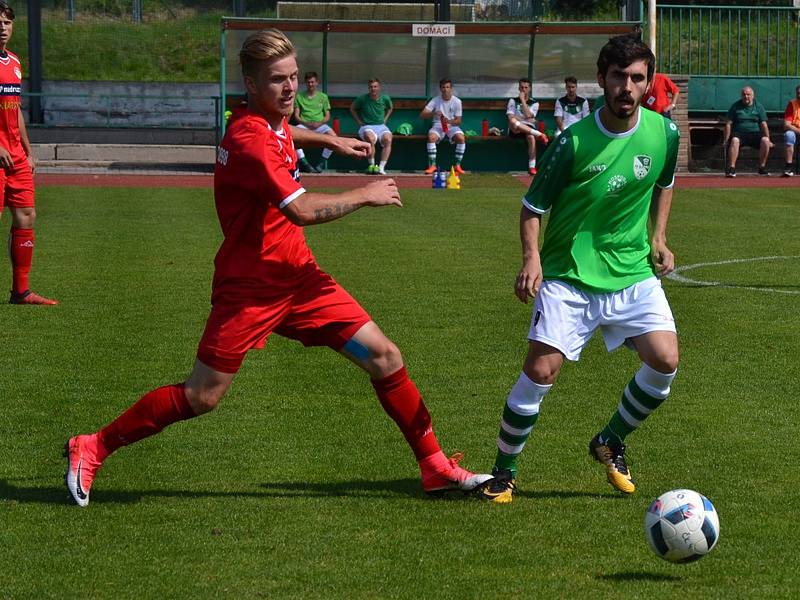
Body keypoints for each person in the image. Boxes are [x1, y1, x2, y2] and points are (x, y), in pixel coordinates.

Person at [65, 29, 490, 508]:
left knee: (385, 357)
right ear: (250, 83)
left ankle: (434, 467)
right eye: (276, 81)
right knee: (202, 396)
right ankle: (93, 446)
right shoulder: (250, 142)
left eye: (292, 77)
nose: (289, 88)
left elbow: (284, 132)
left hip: (302, 280)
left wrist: (330, 139)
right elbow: (303, 210)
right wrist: (365, 193)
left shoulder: (267, 123)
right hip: (250, 289)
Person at [478, 33, 681, 504]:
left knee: (665, 360)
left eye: (636, 79)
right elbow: (532, 208)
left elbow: (665, 182)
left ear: (648, 83)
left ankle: (611, 439)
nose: (627, 88)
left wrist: (658, 237)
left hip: (630, 272)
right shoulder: (572, 142)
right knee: (541, 371)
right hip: (569, 274)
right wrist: (532, 258)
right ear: (601, 80)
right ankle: (503, 473)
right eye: (618, 78)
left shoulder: (664, 134)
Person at [0, 2, 57, 305]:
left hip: (16, 156)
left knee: (26, 215)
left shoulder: (14, 62)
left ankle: (20, 291)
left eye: (7, 22)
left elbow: (16, 110)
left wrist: (28, 150)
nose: (3, 27)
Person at [724, 86, 773, 177]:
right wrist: (726, 140)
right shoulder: (735, 106)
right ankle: (732, 169)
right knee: (734, 140)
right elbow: (728, 124)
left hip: (755, 133)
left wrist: (769, 139)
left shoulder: (758, 106)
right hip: (739, 133)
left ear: (753, 96)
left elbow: (764, 124)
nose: (746, 97)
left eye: (748, 94)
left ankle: (762, 168)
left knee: (765, 141)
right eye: (744, 94)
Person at [293, 71, 336, 173]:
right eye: (308, 82)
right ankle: (304, 163)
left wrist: (319, 123)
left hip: (320, 125)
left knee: (334, 137)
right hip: (304, 126)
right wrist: (306, 123)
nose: (310, 84)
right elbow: (296, 116)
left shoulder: (323, 97)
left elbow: (327, 116)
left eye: (312, 82)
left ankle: (321, 163)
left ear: (317, 83)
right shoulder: (299, 96)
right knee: (291, 138)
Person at [421, 78, 466, 175]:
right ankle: (432, 165)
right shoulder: (435, 100)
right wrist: (433, 113)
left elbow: (458, 121)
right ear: (440, 89)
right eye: (443, 87)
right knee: (431, 137)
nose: (445, 90)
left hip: (452, 126)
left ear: (451, 88)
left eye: (447, 87)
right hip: (437, 125)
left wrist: (449, 121)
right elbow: (423, 115)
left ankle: (457, 165)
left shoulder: (457, 101)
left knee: (461, 138)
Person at [349, 79, 393, 174]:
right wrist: (359, 121)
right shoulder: (362, 98)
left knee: (388, 139)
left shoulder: (385, 98)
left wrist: (385, 119)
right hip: (367, 126)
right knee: (370, 138)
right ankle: (371, 166)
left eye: (375, 86)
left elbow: (390, 108)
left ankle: (381, 168)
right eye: (371, 87)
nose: (373, 89)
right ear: (368, 88)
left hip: (381, 126)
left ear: (379, 87)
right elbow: (352, 109)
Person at [506, 77, 548, 176]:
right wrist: (525, 119)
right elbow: (510, 116)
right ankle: (540, 134)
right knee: (512, 121)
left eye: (525, 87)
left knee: (531, 137)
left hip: (528, 128)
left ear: (529, 89)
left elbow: (529, 115)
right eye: (521, 87)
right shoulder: (512, 101)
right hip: (515, 129)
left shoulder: (534, 103)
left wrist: (523, 101)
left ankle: (532, 167)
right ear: (518, 88)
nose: (523, 90)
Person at [781, 84, 800, 177]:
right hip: (795, 130)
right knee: (789, 135)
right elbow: (786, 125)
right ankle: (788, 166)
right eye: (798, 93)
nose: (799, 95)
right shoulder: (792, 104)